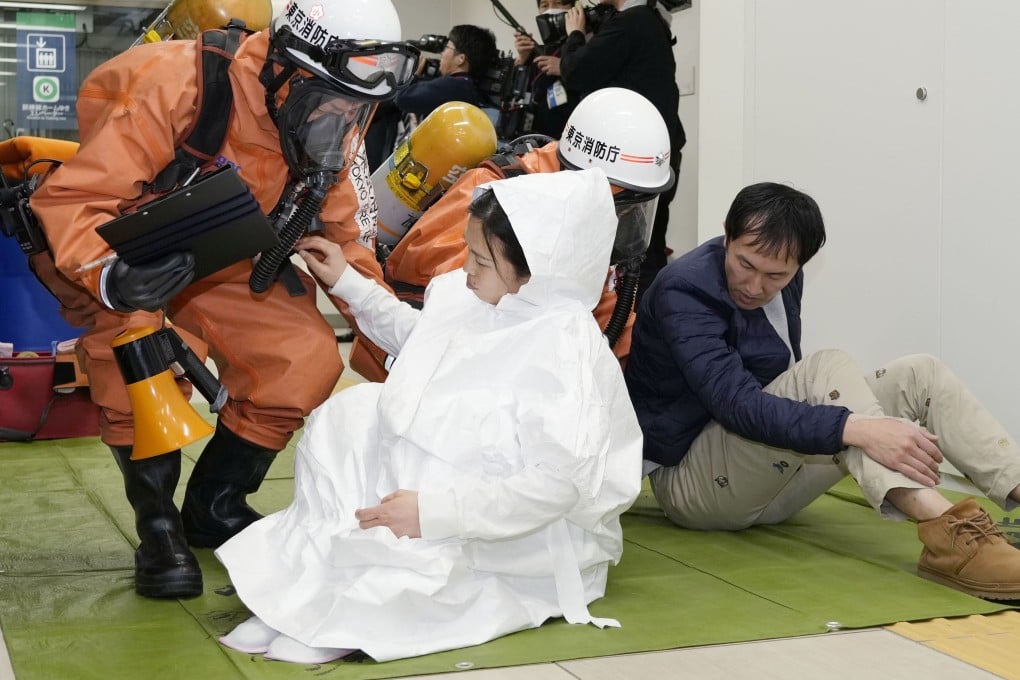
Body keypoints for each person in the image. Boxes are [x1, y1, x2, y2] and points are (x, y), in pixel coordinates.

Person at [26, 0, 419, 600]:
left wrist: (402, 345)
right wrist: (111, 277)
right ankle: (158, 529)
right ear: (288, 68)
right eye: (334, 99)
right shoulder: (179, 84)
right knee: (139, 363)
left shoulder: (338, 116)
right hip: (126, 254)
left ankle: (213, 506)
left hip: (230, 260)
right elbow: (76, 198)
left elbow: (345, 239)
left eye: (358, 106)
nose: (345, 118)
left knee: (303, 357)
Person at [214, 168, 642, 664]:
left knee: (446, 439)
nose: (468, 272)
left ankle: (367, 601)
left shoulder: (565, 351)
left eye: (481, 260)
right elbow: (430, 342)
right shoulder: (482, 297)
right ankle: (322, 585)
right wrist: (349, 283)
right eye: (469, 253)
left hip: (511, 525)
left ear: (535, 272)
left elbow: (556, 485)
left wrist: (434, 513)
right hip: (432, 495)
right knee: (356, 413)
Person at [625, 181, 1020, 600]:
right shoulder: (683, 289)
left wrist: (856, 426)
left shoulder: (783, 279)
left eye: (776, 275)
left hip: (761, 471)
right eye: (744, 264)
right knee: (827, 369)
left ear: (800, 265)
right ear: (727, 235)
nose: (755, 285)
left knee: (919, 374)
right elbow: (736, 405)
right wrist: (860, 429)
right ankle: (951, 538)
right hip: (694, 484)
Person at [384, 87, 674, 363]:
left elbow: (613, 324)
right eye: (619, 207)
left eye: (634, 207)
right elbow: (451, 306)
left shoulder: (605, 218)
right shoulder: (492, 196)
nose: (623, 218)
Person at [558, 0, 685, 304]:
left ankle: (633, 332)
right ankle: (643, 328)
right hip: (652, 160)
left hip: (628, 167)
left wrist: (574, 35)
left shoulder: (632, 21)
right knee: (644, 251)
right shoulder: (651, 22)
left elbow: (576, 71)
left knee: (630, 260)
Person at [393, 24, 498, 121]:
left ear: (460, 59)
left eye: (447, 48)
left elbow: (402, 98)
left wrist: (410, 72)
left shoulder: (454, 86)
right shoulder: (470, 88)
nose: (441, 53)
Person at [511, 0, 581, 139]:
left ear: (573, 8)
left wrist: (564, 67)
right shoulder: (537, 51)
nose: (551, 10)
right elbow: (515, 95)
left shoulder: (584, 47)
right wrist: (522, 59)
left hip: (572, 134)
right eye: (544, 5)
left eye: (560, 3)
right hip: (537, 135)